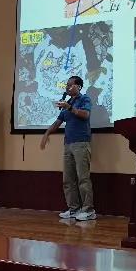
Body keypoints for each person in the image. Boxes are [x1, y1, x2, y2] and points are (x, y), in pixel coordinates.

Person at [40, 75, 96, 221]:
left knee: (83, 178)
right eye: (67, 85)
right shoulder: (68, 102)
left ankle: (89, 210)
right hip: (68, 144)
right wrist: (46, 133)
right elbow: (58, 122)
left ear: (79, 86)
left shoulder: (84, 99)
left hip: (81, 143)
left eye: (71, 85)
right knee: (68, 179)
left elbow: (85, 114)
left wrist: (69, 108)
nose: (68, 87)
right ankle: (74, 209)